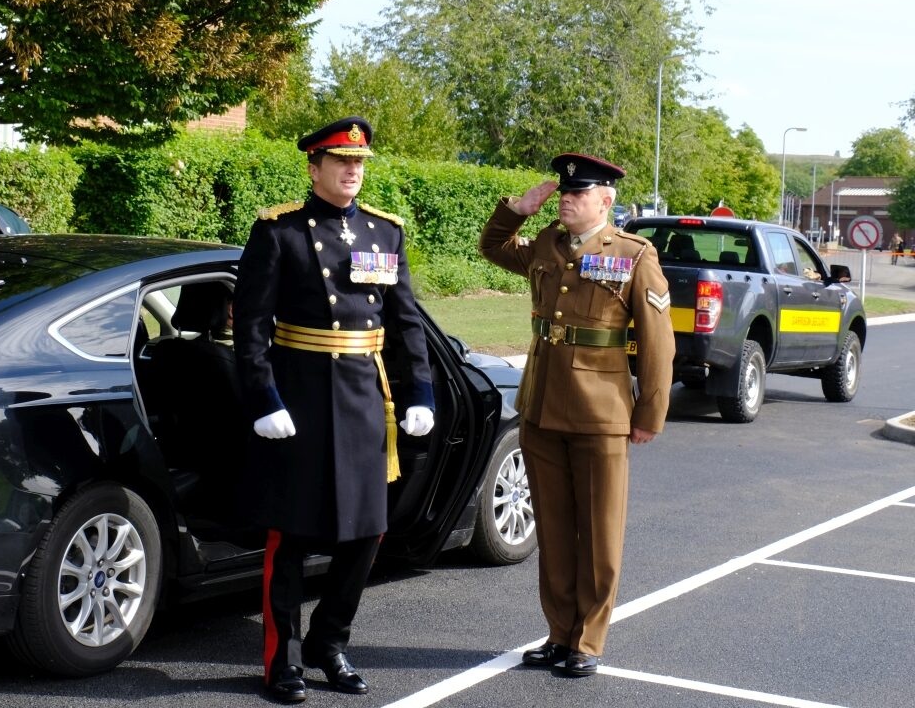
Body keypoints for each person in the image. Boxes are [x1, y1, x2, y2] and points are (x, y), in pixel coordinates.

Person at [233, 116, 436, 703]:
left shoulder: (384, 233)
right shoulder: (279, 233)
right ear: (314, 167)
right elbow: (250, 329)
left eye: (360, 163)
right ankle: (282, 662)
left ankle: (331, 643)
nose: (353, 171)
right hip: (299, 395)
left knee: (366, 532)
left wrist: (419, 391)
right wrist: (264, 398)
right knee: (292, 535)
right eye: (341, 161)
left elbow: (406, 323)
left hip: (364, 396)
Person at [478, 153, 675, 678]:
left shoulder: (634, 254)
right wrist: (516, 210)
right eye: (563, 193)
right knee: (557, 529)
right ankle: (559, 633)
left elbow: (658, 342)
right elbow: (492, 247)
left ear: (605, 200)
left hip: (601, 411)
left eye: (578, 194)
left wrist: (650, 411)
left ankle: (588, 640)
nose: (566, 199)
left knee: (599, 531)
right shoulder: (545, 243)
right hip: (541, 405)